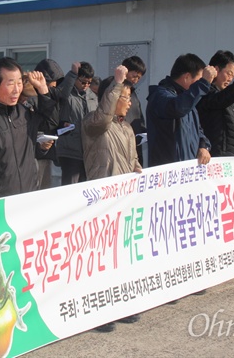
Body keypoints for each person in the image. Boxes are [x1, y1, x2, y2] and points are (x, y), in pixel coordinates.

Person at [82, 66, 142, 332]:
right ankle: (100, 312)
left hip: (124, 198)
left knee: (121, 254)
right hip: (102, 199)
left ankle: (121, 304)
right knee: (102, 256)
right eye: (124, 96)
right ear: (111, 96)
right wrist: (117, 83)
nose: (129, 103)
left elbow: (132, 158)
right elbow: (103, 118)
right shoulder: (94, 124)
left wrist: (137, 166)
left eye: (129, 97)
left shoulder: (127, 128)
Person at [0, 57, 57, 201]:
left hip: (29, 195)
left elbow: (50, 123)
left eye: (19, 83)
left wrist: (43, 90)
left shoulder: (24, 113)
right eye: (11, 84)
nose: (17, 89)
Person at [146, 53, 216, 166]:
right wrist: (203, 84)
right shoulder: (160, 96)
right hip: (168, 171)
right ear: (186, 77)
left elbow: (198, 130)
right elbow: (176, 108)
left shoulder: (188, 99)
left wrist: (203, 146)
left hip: (187, 170)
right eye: (198, 80)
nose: (199, 85)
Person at [55, 61, 99, 185]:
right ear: (75, 79)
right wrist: (72, 73)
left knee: (85, 188)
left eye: (89, 82)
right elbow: (61, 93)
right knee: (70, 189)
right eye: (82, 81)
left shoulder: (92, 96)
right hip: (69, 149)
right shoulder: (67, 93)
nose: (86, 85)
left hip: (88, 151)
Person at [33, 58, 64, 189]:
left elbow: (53, 121)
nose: (54, 86)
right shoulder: (32, 98)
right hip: (34, 155)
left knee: (45, 190)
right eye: (52, 82)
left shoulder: (53, 96)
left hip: (47, 152)